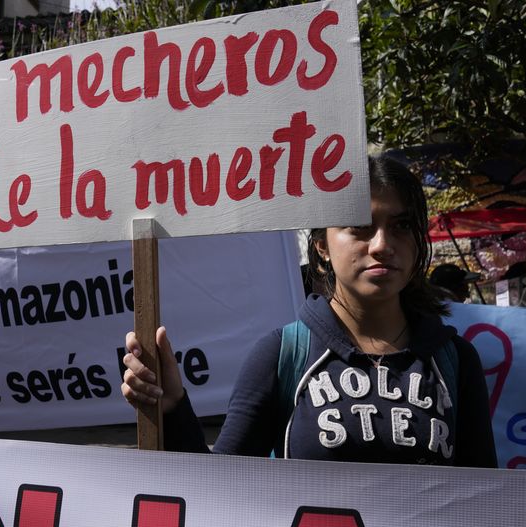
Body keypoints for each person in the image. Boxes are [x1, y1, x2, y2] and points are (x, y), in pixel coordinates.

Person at [122, 156, 497, 468]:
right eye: (361, 227)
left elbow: (485, 501)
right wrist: (171, 408)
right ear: (322, 246)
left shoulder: (456, 360)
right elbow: (220, 488)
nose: (382, 245)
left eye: (401, 226)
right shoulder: (281, 354)